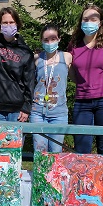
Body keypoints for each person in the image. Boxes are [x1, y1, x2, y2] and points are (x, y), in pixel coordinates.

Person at [68, 4, 103, 155]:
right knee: (82, 149)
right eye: (85, 19)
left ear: (101, 22)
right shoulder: (74, 44)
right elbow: (70, 69)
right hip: (82, 102)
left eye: (93, 18)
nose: (89, 21)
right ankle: (84, 179)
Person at [0, 7, 36, 122]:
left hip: (17, 111)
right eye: (5, 23)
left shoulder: (25, 51)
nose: (8, 25)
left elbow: (29, 82)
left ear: (17, 24)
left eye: (11, 22)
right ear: (0, 25)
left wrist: (26, 108)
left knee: (14, 141)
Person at [30, 24, 72, 152]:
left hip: (59, 114)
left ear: (59, 39)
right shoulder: (37, 59)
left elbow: (77, 77)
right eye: (46, 40)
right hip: (38, 112)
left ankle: (53, 173)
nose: (50, 42)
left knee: (55, 153)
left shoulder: (67, 57)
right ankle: (40, 173)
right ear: (41, 41)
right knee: (40, 152)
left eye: (53, 39)